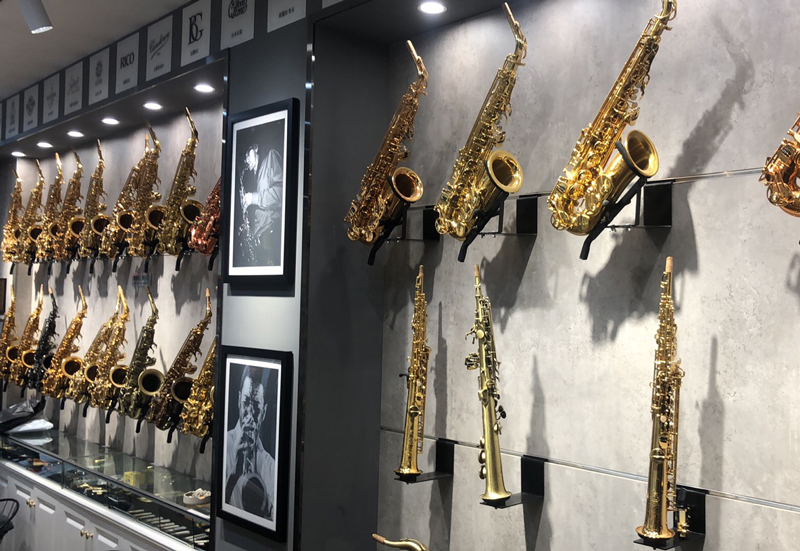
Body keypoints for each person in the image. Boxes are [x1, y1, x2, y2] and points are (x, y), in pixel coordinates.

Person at [225, 365, 275, 519]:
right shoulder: (224, 445)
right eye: (246, 402)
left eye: (256, 407)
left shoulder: (270, 465)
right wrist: (234, 470)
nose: (250, 415)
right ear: (239, 401)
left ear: (264, 413)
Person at [240, 145, 283, 265]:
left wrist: (253, 198)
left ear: (255, 148)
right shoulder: (253, 174)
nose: (246, 160)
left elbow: (280, 193)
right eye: (244, 157)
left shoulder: (270, 157)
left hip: (270, 235)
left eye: (247, 154)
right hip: (260, 240)